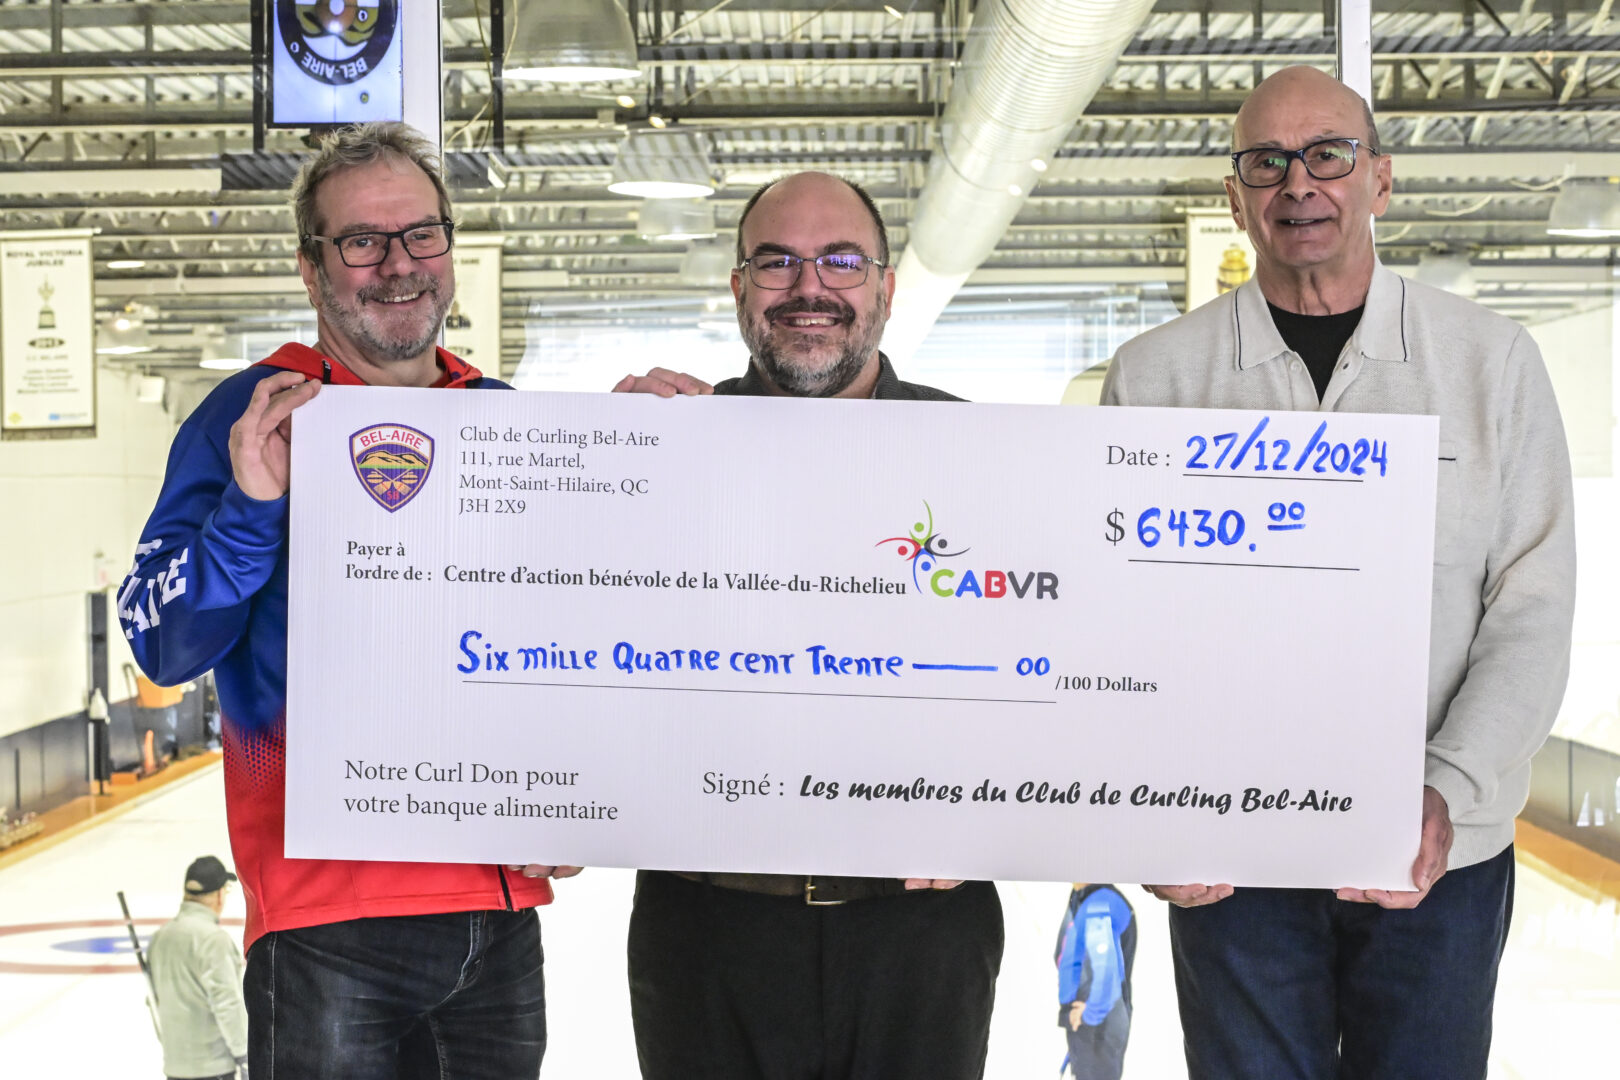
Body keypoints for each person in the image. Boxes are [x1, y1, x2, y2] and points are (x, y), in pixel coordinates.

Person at [1101, 66, 1576, 1079]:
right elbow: (1124, 619)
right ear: (1236, 196)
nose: (1297, 184)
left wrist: (1445, 787)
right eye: (1265, 163)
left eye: (1328, 155)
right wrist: (1154, 811)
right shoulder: (1156, 377)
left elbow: (1531, 612)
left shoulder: (1491, 364)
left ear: (1381, 181)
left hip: (1433, 855)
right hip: (1233, 856)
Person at [117, 122, 576, 1079]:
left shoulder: (499, 417)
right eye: (362, 241)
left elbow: (555, 643)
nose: (398, 265)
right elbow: (161, 645)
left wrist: (577, 795)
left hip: (496, 917)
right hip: (330, 922)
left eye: (420, 234)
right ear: (312, 267)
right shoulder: (249, 416)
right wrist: (252, 507)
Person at [614, 171, 1004, 1079]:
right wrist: (604, 476)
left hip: (920, 930)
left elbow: (1053, 679)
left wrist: (998, 815)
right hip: (706, 928)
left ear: (884, 287)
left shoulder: (990, 457)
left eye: (840, 261)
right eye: (778, 262)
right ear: (740, 286)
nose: (809, 288)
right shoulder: (659, 446)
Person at [146, 856, 248, 1080]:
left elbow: (154, 1000)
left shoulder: (160, 938)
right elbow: (227, 1003)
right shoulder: (214, 940)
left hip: (175, 1066)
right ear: (220, 894)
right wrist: (243, 1054)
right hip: (213, 1067)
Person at [1055, 883, 1134, 1080]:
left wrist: (1090, 1015)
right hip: (1090, 1024)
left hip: (1097, 1026)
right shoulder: (1085, 896)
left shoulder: (1099, 903)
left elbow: (1105, 967)